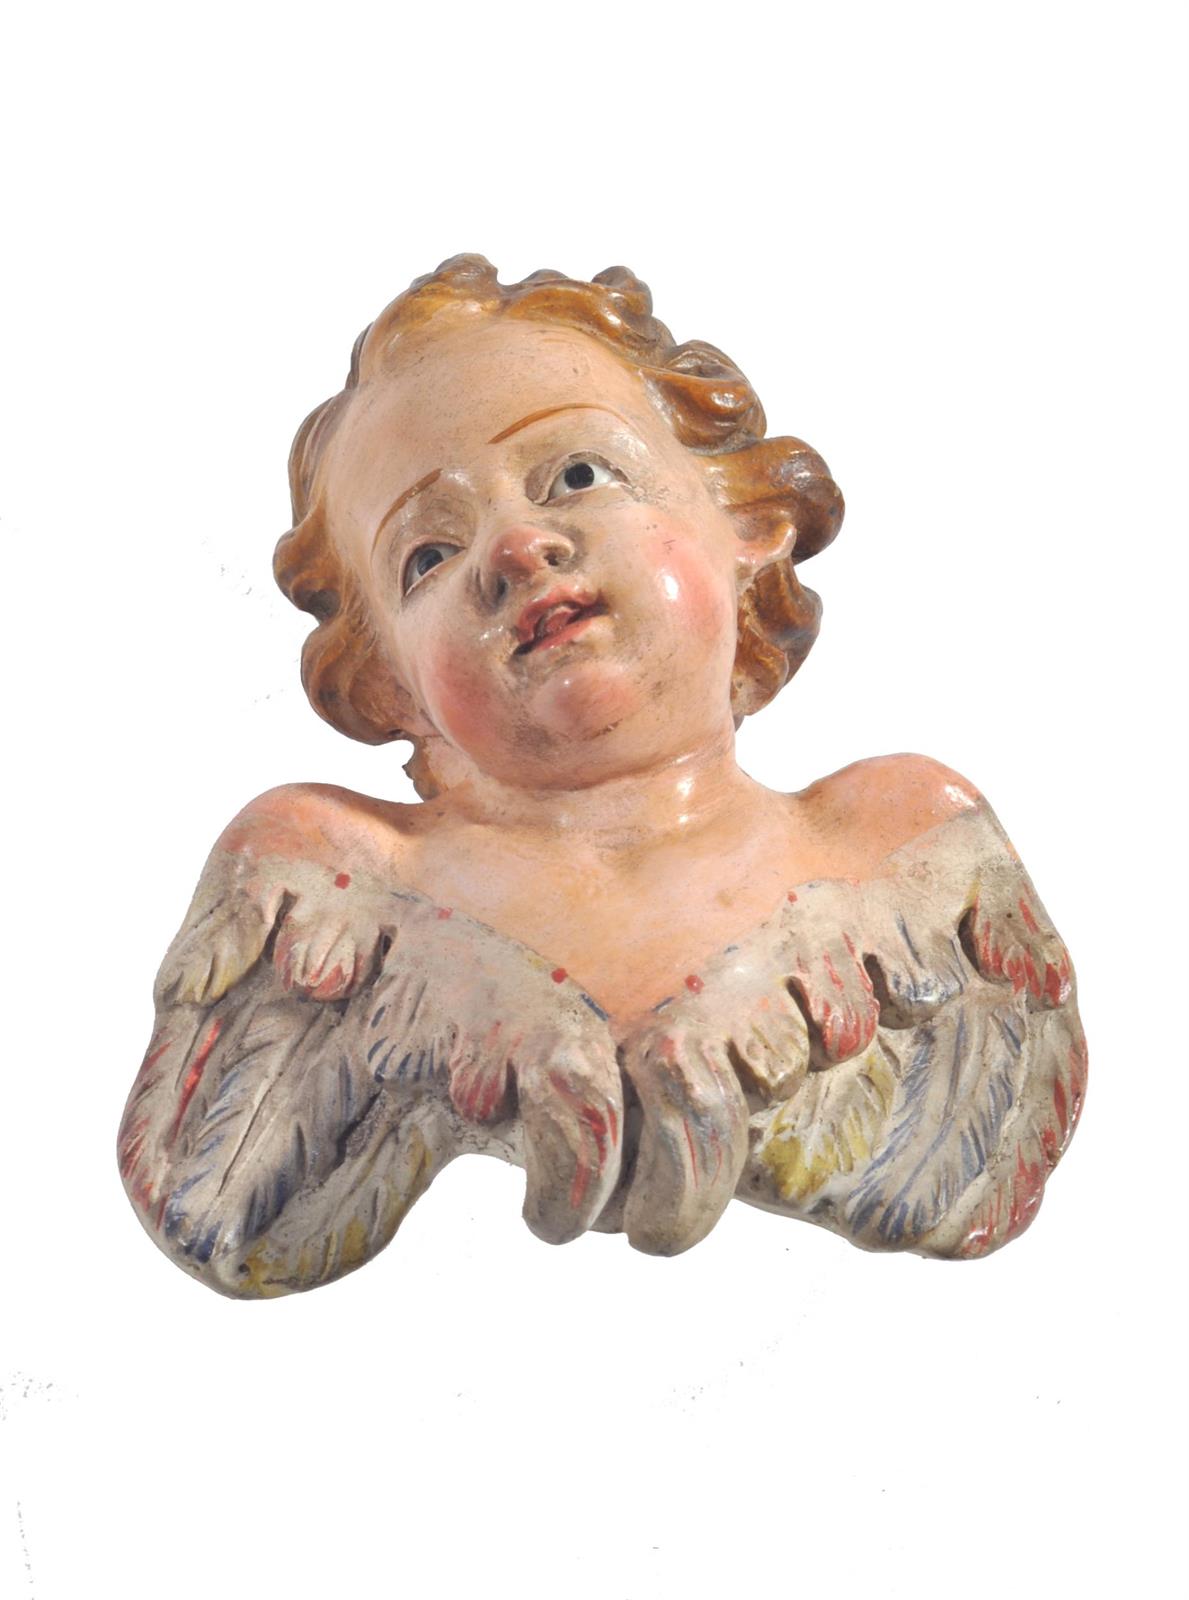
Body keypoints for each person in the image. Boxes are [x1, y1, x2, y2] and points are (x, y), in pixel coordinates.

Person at [118, 256, 1085, 1297]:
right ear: (392, 687)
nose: (517, 545)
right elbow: (219, 1208)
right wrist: (440, 1003)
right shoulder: (345, 875)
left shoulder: (889, 842)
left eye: (578, 474)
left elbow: (971, 1184)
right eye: (427, 556)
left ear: (746, 524)